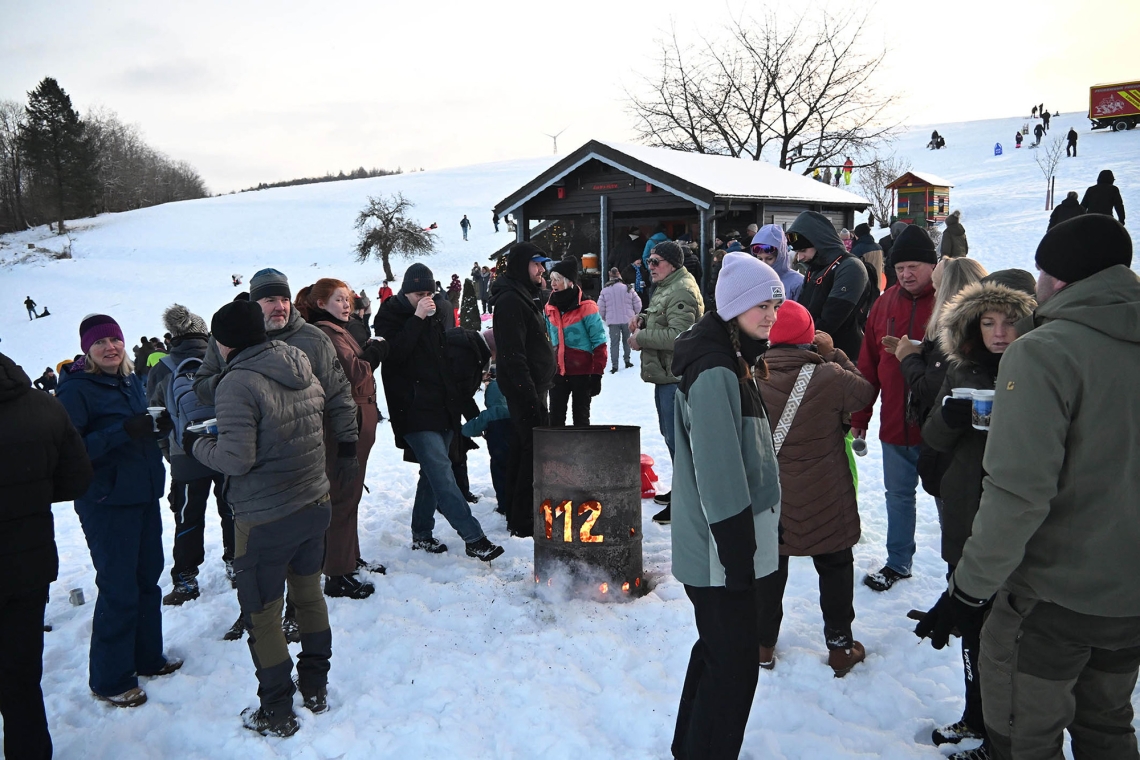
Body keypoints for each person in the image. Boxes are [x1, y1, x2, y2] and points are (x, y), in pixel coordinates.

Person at [913, 215, 1137, 760]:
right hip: (1128, 597)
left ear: (1057, 278)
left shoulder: (1043, 353)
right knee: (1107, 727)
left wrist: (967, 592)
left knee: (1021, 738)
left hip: (1050, 599)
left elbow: (1020, 494)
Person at [185, 301, 334, 738]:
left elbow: (235, 458)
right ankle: (316, 688)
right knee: (308, 596)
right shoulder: (298, 360)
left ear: (223, 342)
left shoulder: (236, 382)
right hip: (313, 500)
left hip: (266, 516)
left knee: (263, 613)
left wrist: (197, 446)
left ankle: (276, 710)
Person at [195, 269, 359, 631]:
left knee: (301, 541)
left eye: (284, 298)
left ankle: (296, 615)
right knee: (254, 546)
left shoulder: (312, 338)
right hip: (250, 465)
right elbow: (202, 384)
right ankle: (256, 611)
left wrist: (348, 443)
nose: (280, 307)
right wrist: (240, 378)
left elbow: (339, 393)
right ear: (255, 303)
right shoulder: (227, 337)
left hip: (303, 459)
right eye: (270, 299)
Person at [668, 252, 783, 760]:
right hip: (720, 553)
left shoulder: (728, 356)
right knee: (734, 668)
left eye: (775, 304)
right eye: (760, 304)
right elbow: (720, 473)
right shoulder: (715, 368)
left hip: (721, 549)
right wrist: (739, 559)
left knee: (717, 653)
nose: (770, 314)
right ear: (733, 306)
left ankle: (688, 747)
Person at [919, 277, 1035, 758]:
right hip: (966, 514)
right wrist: (949, 419)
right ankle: (974, 715)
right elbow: (931, 435)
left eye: (1009, 321)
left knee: (1010, 636)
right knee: (971, 625)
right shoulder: (960, 368)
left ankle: (1004, 731)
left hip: (1019, 524)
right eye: (988, 322)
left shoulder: (1040, 369)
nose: (999, 332)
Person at [57, 314, 182, 708]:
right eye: (101, 343)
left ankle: (147, 656)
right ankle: (110, 678)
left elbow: (138, 429)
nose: (111, 347)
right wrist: (123, 432)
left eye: (115, 339)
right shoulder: (75, 391)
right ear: (87, 350)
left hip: (142, 494)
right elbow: (68, 452)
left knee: (148, 578)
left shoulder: (129, 380)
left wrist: (153, 431)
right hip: (106, 502)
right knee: (119, 587)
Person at [754, 300, 876, 677]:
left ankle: (762, 646)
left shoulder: (752, 377)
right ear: (809, 338)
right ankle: (839, 647)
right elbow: (865, 394)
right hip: (827, 493)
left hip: (774, 496)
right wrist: (835, 352)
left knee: (770, 571)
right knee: (836, 566)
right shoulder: (831, 376)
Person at [374, 263, 505, 561]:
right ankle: (474, 538)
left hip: (441, 406)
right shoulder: (389, 315)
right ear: (406, 292)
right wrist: (418, 318)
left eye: (429, 293)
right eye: (419, 293)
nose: (426, 298)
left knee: (431, 474)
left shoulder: (434, 317)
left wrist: (466, 411)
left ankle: (421, 534)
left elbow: (444, 366)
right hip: (412, 408)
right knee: (443, 475)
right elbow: (395, 357)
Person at [0, 351, 92, 758]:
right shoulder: (40, 403)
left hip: (26, 560)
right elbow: (75, 478)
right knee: (20, 680)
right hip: (26, 562)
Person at [851, 225, 937, 592]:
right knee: (898, 496)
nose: (906, 274)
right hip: (894, 423)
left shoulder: (950, 301)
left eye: (915, 266)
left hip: (940, 427)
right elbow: (867, 364)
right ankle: (898, 562)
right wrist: (860, 416)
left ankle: (959, 574)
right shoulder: (884, 304)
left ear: (933, 266)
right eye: (900, 267)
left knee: (951, 501)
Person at [301, 279, 389, 597]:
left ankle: (349, 558)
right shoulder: (326, 333)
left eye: (348, 299)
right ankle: (337, 572)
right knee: (343, 494)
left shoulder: (340, 330)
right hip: (346, 419)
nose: (346, 304)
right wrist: (374, 354)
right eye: (339, 299)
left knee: (350, 494)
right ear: (321, 303)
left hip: (359, 415)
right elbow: (355, 373)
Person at [147, 304, 232, 606]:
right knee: (231, 511)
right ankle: (235, 564)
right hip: (226, 449)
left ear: (172, 336)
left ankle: (185, 579)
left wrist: (171, 453)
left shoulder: (162, 367)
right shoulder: (221, 357)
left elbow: (156, 419)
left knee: (187, 518)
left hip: (185, 455)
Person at [891, 258, 989, 503]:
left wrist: (907, 358)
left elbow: (931, 388)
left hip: (956, 454)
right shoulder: (988, 331)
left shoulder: (956, 336)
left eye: (936, 289)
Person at [628, 240, 705, 523]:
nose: (650, 267)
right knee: (671, 437)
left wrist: (640, 338)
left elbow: (679, 335)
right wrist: (642, 317)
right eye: (648, 261)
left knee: (680, 442)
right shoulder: (668, 285)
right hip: (667, 375)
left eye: (655, 261)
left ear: (672, 263)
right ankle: (682, 490)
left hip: (677, 377)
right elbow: (661, 314)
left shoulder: (682, 288)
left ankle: (688, 500)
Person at [489, 243, 557, 537]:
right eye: (536, 264)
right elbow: (512, 356)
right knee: (531, 455)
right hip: (524, 391)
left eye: (543, 264)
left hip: (533, 387)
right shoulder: (510, 302)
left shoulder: (524, 296)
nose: (542, 270)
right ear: (520, 266)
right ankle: (523, 520)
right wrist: (529, 397)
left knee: (522, 451)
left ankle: (516, 513)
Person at [787, 211, 870, 361]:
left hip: (844, 356)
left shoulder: (850, 267)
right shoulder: (816, 267)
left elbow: (831, 319)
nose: (800, 257)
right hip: (813, 351)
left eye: (803, 250)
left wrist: (798, 340)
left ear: (819, 242)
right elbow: (803, 309)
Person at [544, 258, 606, 426]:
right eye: (552, 279)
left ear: (569, 281)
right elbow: (548, 338)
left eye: (557, 279)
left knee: (581, 417)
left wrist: (597, 373)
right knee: (555, 418)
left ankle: (581, 451)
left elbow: (599, 342)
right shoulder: (549, 307)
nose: (553, 284)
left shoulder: (587, 307)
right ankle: (557, 451)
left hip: (582, 371)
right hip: (558, 372)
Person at [461, 330, 511, 511]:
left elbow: (468, 429)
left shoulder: (490, 414)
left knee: (500, 474)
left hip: (498, 452)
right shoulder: (515, 410)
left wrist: (466, 429)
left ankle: (504, 505)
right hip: (518, 448)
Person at [597, 267, 641, 373]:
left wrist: (605, 318)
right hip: (627, 320)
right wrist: (635, 315)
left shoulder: (605, 290)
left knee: (614, 343)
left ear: (610, 276)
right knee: (627, 341)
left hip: (613, 322)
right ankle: (627, 361)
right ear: (619, 274)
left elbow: (600, 307)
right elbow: (638, 303)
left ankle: (615, 366)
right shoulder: (628, 288)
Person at [751, 225, 804, 302]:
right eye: (759, 259)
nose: (763, 263)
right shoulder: (753, 280)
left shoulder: (798, 283)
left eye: (769, 258)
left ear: (780, 257)